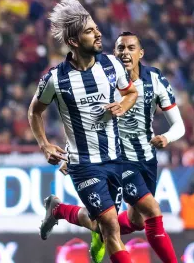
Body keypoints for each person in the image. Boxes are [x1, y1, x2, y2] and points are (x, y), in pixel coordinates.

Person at [28, 0, 138, 263]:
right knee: (111, 226)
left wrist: (123, 105)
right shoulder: (56, 78)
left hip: (116, 157)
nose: (99, 34)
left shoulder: (112, 65)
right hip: (83, 163)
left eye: (96, 28)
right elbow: (35, 112)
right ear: (75, 42)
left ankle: (58, 210)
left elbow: (131, 92)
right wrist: (44, 145)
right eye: (90, 31)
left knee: (105, 225)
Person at [59, 32, 184, 263]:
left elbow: (179, 126)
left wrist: (167, 137)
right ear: (114, 54)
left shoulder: (155, 79)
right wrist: (72, 155)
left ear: (141, 53)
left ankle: (65, 213)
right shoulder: (103, 78)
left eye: (130, 48)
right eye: (120, 49)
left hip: (147, 159)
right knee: (154, 212)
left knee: (135, 222)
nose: (125, 53)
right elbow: (79, 120)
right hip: (117, 160)